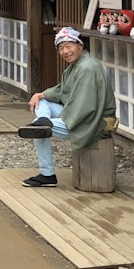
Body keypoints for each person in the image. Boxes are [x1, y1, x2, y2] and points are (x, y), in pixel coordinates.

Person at [17, 26, 117, 187]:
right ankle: (43, 121)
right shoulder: (78, 65)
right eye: (61, 48)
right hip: (79, 114)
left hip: (96, 122)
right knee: (42, 104)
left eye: (69, 46)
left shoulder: (87, 68)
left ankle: (47, 172)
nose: (65, 51)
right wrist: (40, 95)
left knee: (39, 130)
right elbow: (62, 90)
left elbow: (85, 106)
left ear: (80, 45)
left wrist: (64, 117)